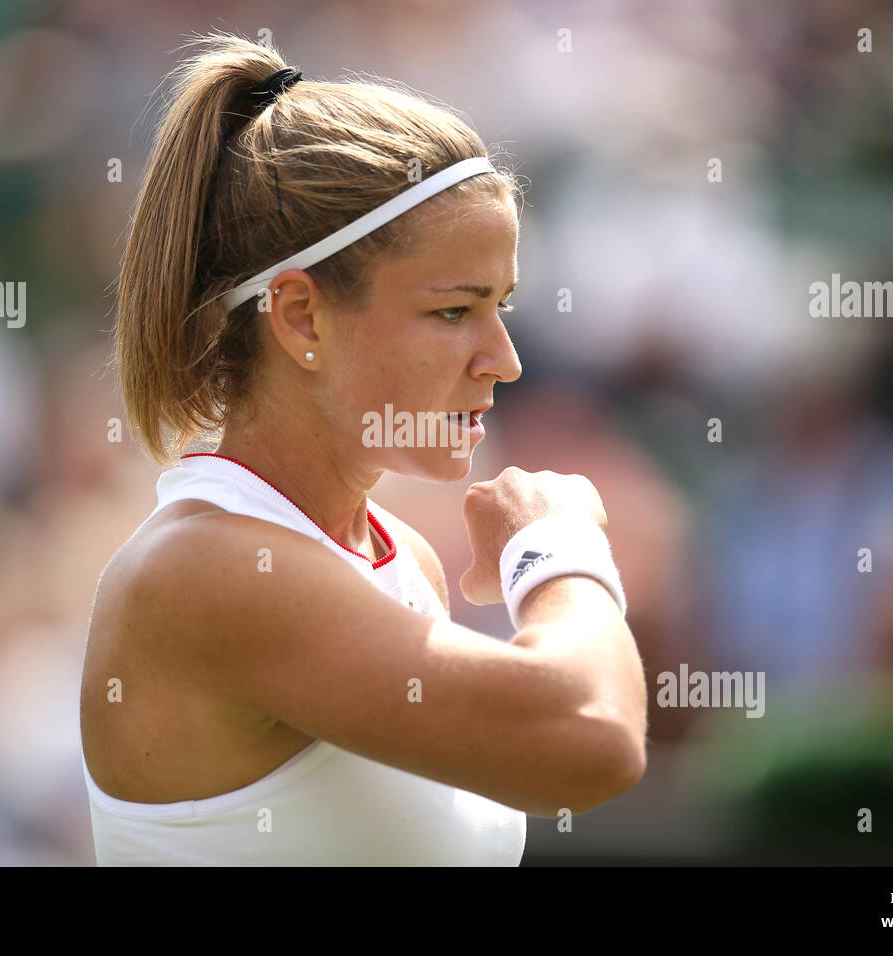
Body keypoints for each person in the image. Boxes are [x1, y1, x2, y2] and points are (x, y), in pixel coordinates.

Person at [79, 33, 648, 865]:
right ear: (303, 315)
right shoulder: (207, 571)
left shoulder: (401, 559)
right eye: (456, 311)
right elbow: (589, 739)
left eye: (502, 306)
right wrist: (554, 546)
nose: (505, 359)